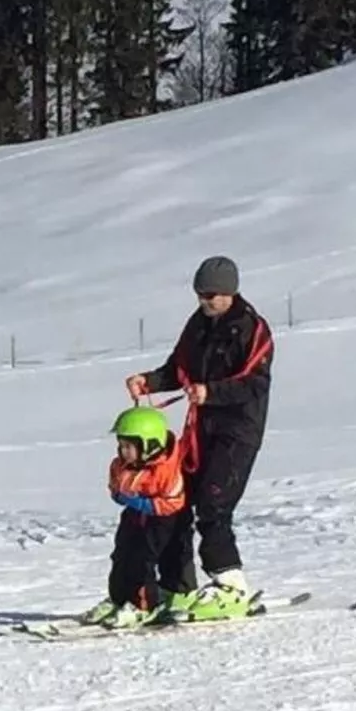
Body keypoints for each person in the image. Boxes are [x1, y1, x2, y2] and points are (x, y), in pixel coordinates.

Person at [125, 254, 274, 621]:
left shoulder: (252, 328)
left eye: (211, 295)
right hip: (200, 431)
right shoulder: (198, 324)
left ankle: (231, 586)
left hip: (237, 431)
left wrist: (212, 393)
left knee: (213, 505)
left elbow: (255, 382)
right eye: (199, 294)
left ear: (229, 292)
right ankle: (177, 587)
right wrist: (150, 380)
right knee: (177, 501)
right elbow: (179, 368)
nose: (204, 301)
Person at [77, 403, 190, 629]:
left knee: (142, 559)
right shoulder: (122, 464)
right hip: (134, 516)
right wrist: (120, 495)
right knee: (121, 556)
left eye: (129, 446)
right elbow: (115, 484)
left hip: (160, 521)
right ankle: (119, 599)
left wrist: (142, 503)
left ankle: (143, 605)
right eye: (121, 445)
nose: (122, 451)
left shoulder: (166, 470)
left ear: (150, 445)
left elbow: (174, 502)